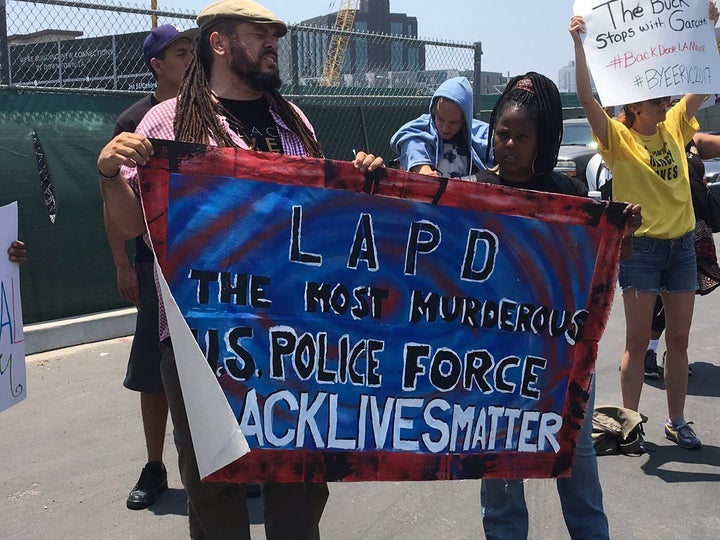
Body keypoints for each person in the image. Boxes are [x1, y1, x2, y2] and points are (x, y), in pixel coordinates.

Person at [97, 0, 382, 537]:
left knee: (299, 481)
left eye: (275, 34)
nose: (274, 43)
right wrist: (112, 175)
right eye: (260, 34)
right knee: (217, 492)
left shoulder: (292, 119)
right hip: (200, 338)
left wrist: (364, 182)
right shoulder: (167, 121)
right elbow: (134, 226)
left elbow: (319, 219)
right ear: (221, 44)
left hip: (293, 336)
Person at [474, 71, 639, 540]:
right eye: (502, 133)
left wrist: (619, 236)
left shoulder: (566, 197)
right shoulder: (470, 195)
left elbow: (605, 264)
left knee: (577, 467)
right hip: (492, 368)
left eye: (522, 136)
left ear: (541, 140)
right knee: (501, 482)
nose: (509, 144)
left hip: (560, 364)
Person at [570, 3, 719, 451]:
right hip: (642, 250)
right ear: (633, 106)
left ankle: (677, 421)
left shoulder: (674, 127)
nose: (666, 102)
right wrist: (578, 44)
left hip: (681, 248)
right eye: (656, 100)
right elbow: (585, 97)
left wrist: (710, 28)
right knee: (637, 342)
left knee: (678, 340)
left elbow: (702, 81)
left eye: (665, 99)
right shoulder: (618, 140)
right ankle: (628, 424)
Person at [103, 23, 197, 511]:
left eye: (193, 52)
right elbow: (115, 194)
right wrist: (122, 263)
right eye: (181, 54)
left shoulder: (212, 113)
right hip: (153, 266)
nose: (191, 60)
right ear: (157, 65)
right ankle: (156, 466)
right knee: (152, 372)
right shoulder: (134, 120)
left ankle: (229, 464)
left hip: (205, 268)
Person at [643, 133, 720, 379]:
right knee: (658, 294)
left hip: (694, 227)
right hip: (662, 229)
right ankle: (648, 351)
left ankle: (671, 353)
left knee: (681, 293)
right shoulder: (645, 138)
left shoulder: (691, 139)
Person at [390, 76, 489, 177]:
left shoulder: (481, 134)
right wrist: (425, 173)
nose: (445, 128)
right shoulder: (420, 130)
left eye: (453, 122)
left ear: (465, 120)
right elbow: (413, 145)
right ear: (433, 112)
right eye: (440, 119)